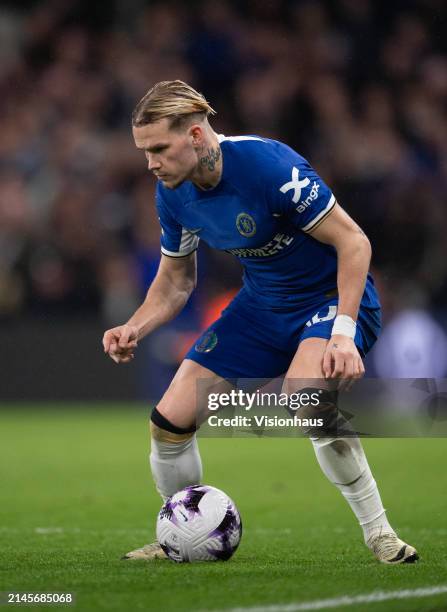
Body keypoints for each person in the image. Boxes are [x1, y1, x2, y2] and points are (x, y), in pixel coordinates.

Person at [102, 80, 418, 564]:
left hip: (327, 298)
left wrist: (343, 333)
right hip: (261, 307)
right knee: (169, 423)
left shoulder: (268, 166)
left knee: (305, 402)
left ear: (195, 135)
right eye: (145, 151)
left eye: (159, 148)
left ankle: (380, 534)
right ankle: (182, 535)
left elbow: (354, 243)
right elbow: (175, 282)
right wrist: (134, 327)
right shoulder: (172, 194)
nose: (150, 163)